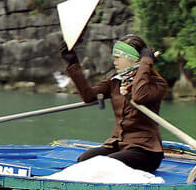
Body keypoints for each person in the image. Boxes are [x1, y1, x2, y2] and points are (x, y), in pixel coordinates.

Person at [60, 33, 167, 173]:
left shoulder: (157, 83)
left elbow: (139, 96)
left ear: (132, 59)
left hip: (145, 150)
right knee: (84, 160)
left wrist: (145, 62)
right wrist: (73, 63)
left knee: (107, 165)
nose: (114, 61)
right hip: (117, 145)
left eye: (118, 58)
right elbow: (88, 96)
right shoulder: (115, 81)